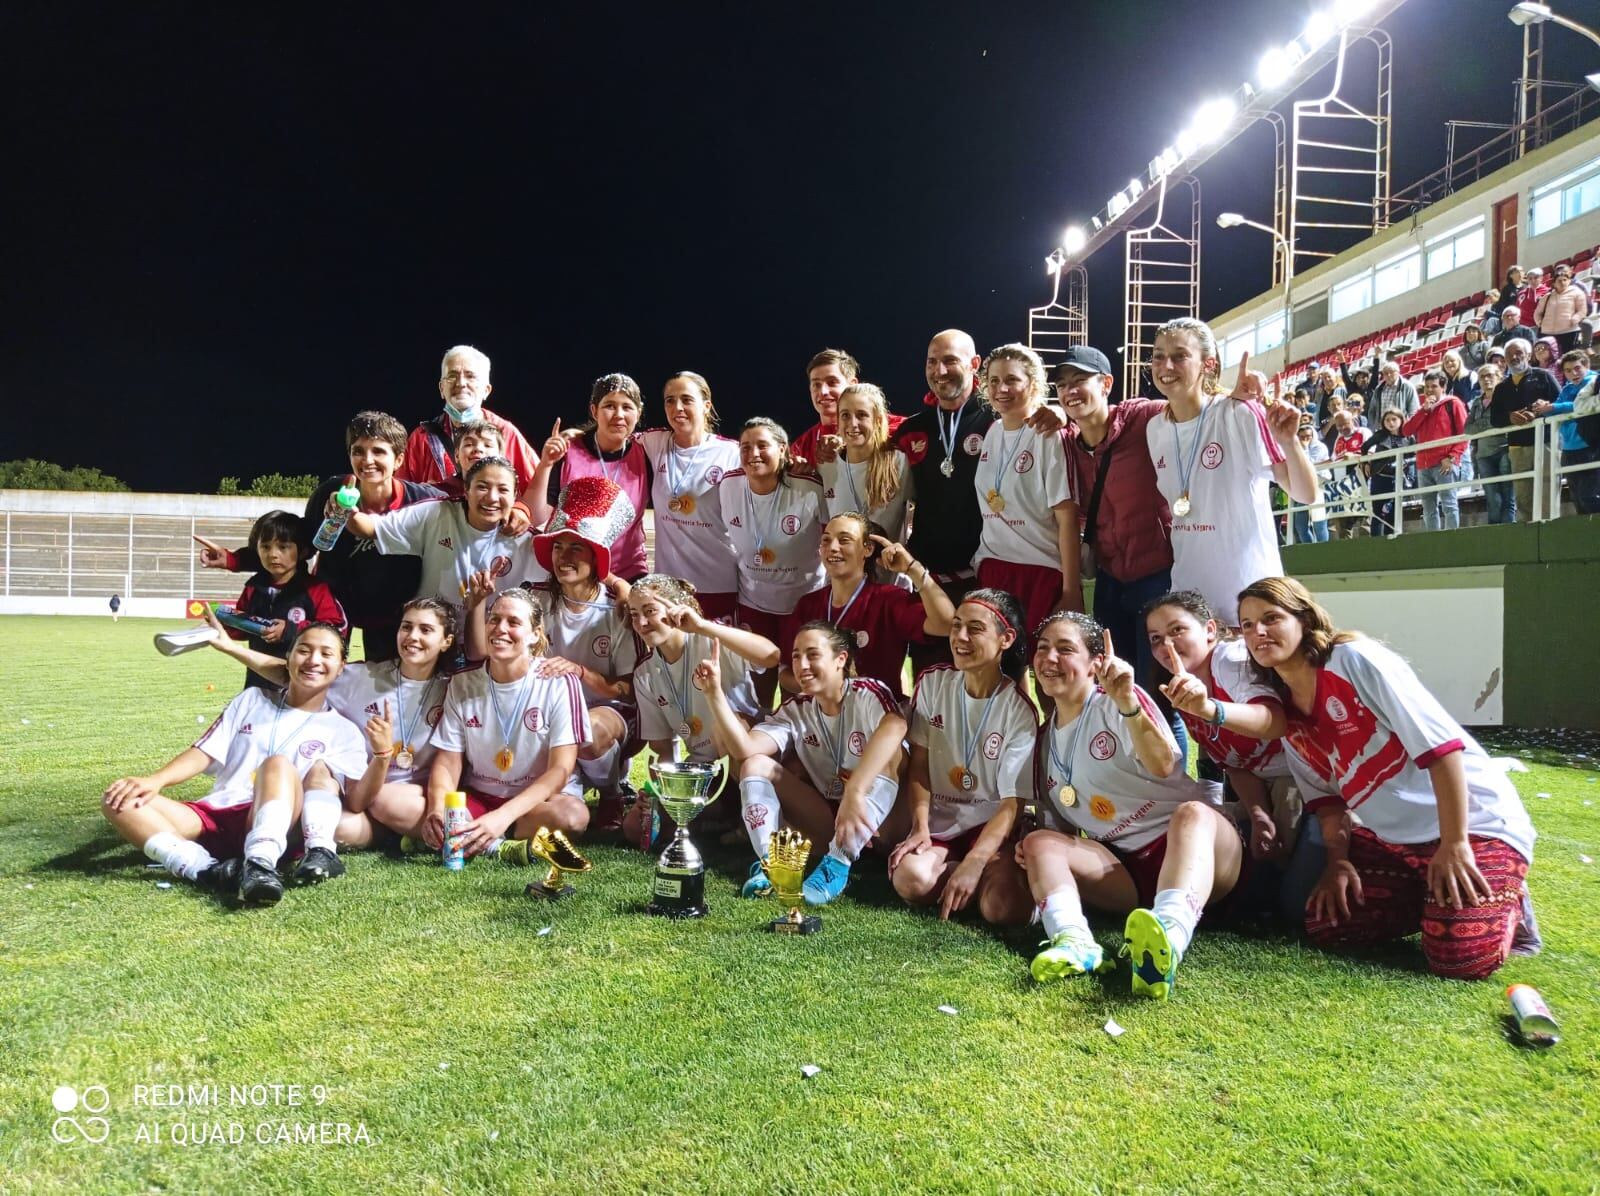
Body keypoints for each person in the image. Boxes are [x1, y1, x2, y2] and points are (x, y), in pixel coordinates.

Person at [1237, 576, 1538, 979]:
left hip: (1474, 825)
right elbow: (1328, 804)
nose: (1258, 631)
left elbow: (1443, 751)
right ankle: (1440, 900)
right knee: (1329, 925)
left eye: (1271, 618)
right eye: (1247, 624)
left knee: (1460, 958)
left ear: (1304, 620)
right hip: (1394, 841)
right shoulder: (1284, 712)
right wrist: (1337, 863)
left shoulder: (1355, 659)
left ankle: (1507, 901)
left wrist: (1454, 843)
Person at [1019, 611, 1236, 1000]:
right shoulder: (1044, 742)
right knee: (1041, 843)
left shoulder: (1119, 703)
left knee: (1193, 813)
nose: (1049, 659)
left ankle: (1167, 937)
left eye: (1065, 649)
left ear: (1095, 663)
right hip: (1126, 872)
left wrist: (1128, 705)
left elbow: (1164, 764)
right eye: (1043, 649)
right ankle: (1074, 941)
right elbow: (1064, 832)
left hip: (1197, 851)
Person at [102, 622, 372, 904]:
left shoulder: (344, 730)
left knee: (276, 765)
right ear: (288, 657)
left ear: (341, 667)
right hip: (217, 813)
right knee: (118, 798)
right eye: (303, 650)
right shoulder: (251, 700)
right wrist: (155, 781)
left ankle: (260, 864)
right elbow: (204, 752)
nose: (313, 660)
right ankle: (207, 870)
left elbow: (345, 796)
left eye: (326, 654)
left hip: (278, 824)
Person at [199, 597, 457, 860]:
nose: (412, 636)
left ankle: (405, 832)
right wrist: (230, 648)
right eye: (406, 627)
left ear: (446, 641)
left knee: (381, 804)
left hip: (410, 799)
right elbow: (294, 673)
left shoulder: (453, 689)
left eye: (425, 630)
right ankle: (398, 836)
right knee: (329, 822)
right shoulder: (364, 677)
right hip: (359, 794)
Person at [196, 412, 449, 661]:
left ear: (399, 459)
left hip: (393, 612)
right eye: (358, 451)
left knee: (386, 689)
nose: (367, 460)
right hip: (332, 609)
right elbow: (298, 547)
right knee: (319, 682)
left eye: (378, 451)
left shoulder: (421, 501)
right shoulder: (330, 492)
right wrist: (234, 559)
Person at [698, 624, 908, 904]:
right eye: (796, 657)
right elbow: (745, 749)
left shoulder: (867, 692)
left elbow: (896, 725)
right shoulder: (797, 708)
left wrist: (855, 791)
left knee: (893, 751)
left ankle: (838, 862)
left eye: (812, 655)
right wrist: (714, 694)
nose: (802, 665)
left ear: (840, 659)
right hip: (829, 820)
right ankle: (772, 865)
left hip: (885, 824)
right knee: (755, 764)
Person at [1144, 593, 1316, 909]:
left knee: (1287, 898)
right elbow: (1236, 764)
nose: (1166, 644)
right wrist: (1258, 813)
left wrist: (1211, 709)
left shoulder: (1230, 659)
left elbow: (1274, 722)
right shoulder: (1179, 685)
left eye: (1177, 630)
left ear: (1210, 629)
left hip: (1304, 774)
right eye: (1156, 638)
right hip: (1258, 781)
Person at [1144, 319, 1316, 625]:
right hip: (1191, 610)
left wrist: (1290, 442)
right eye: (1158, 355)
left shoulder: (1239, 413)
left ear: (1208, 364)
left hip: (1250, 607)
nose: (1165, 365)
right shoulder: (1155, 429)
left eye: (1179, 355)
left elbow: (1305, 493)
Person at [888, 588, 1036, 925]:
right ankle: (957, 872)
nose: (961, 637)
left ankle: (980, 871)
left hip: (991, 825)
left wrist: (976, 860)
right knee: (910, 880)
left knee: (1003, 910)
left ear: (1006, 638)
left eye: (975, 628)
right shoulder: (932, 682)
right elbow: (921, 766)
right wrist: (920, 826)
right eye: (956, 626)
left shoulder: (1019, 710)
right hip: (942, 820)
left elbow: (1012, 802)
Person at [513, 478, 643, 832]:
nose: (564, 557)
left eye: (576, 548)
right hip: (546, 710)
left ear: (596, 557)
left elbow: (628, 689)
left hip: (605, 714)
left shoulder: (617, 609)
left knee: (585, 730)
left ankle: (612, 793)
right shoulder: (533, 600)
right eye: (558, 548)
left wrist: (580, 673)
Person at [423, 588, 592, 858]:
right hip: (480, 795)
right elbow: (448, 761)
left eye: (513, 622)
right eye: (494, 619)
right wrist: (437, 809)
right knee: (402, 806)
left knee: (573, 817)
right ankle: (497, 845)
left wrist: (502, 817)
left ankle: (478, 837)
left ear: (536, 633)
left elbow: (561, 769)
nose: (500, 629)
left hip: (536, 802)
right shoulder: (463, 681)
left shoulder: (559, 682)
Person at [619, 574, 778, 850]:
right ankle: (718, 816)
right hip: (703, 771)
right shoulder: (646, 673)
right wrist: (657, 797)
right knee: (635, 828)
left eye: (650, 611)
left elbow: (771, 655)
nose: (641, 623)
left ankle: (744, 818)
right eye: (634, 614)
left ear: (677, 606)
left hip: (748, 754)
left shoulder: (711, 637)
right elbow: (663, 750)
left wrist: (703, 626)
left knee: (726, 728)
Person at [341, 455, 546, 633]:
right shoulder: (437, 512)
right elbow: (369, 528)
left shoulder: (525, 539)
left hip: (489, 648)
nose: (492, 497)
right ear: (466, 489)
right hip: (430, 640)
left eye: (503, 490)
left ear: (514, 495)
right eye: (482, 487)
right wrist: (344, 509)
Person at [894, 329, 996, 675]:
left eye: (950, 360)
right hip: (929, 579)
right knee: (929, 679)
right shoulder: (910, 430)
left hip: (984, 577)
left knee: (991, 676)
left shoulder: (997, 419)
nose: (939, 371)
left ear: (974, 364)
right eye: (932, 362)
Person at [972, 343, 1083, 638]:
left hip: (1038, 569)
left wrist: (1072, 591)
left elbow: (1067, 519)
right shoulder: (993, 431)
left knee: (1047, 668)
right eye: (993, 381)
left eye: (1011, 380)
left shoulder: (1049, 434)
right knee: (998, 669)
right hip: (993, 566)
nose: (1001, 388)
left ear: (1032, 384)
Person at [780, 512, 954, 699]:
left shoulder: (889, 599)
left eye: (844, 540)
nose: (833, 547)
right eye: (826, 540)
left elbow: (946, 625)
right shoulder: (808, 605)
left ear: (868, 549)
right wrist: (816, 682)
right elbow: (784, 673)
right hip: (824, 715)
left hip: (878, 716)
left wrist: (913, 569)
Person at [719, 418, 826, 708]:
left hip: (803, 603)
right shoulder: (728, 485)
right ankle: (757, 749)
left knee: (799, 690)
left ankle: (798, 750)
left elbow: (833, 536)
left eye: (762, 445)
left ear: (783, 450)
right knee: (756, 691)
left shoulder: (809, 486)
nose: (753, 453)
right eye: (746, 447)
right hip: (755, 604)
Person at [637, 372, 742, 621]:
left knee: (713, 658)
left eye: (686, 399)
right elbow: (612, 437)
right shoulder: (654, 442)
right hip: (668, 586)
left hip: (717, 583)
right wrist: (574, 436)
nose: (677, 408)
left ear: (706, 406)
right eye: (669, 400)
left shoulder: (731, 453)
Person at [529, 373, 652, 581]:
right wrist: (546, 464)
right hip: (573, 572)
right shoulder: (568, 451)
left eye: (627, 407)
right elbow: (537, 516)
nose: (619, 414)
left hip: (628, 575)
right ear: (594, 410)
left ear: (638, 413)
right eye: (610, 406)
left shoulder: (647, 453)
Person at [225, 511, 348, 691]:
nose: (273, 554)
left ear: (303, 551)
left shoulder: (316, 589)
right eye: (265, 547)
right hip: (257, 684)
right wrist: (226, 623)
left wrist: (291, 629)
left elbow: (336, 630)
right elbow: (243, 630)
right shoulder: (253, 588)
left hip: (303, 687)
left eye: (283, 547)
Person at [398, 345, 539, 493]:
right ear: (441, 388)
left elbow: (537, 489)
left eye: (470, 376)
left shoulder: (505, 432)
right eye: (452, 376)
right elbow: (401, 495)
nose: (461, 383)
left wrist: (520, 510)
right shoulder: (421, 438)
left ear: (486, 390)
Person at [818, 383, 913, 542]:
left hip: (887, 566)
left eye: (861, 415)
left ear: (878, 420)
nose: (853, 423)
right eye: (845, 415)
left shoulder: (899, 463)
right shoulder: (826, 464)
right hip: (838, 565)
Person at [1491, 338, 1562, 523]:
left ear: (1529, 355)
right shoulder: (1501, 388)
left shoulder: (1544, 376)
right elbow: (1494, 419)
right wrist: (1510, 418)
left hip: (1545, 442)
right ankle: (1527, 537)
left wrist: (1545, 407)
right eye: (1509, 355)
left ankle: (1549, 533)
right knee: (1523, 497)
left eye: (1518, 353)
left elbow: (1561, 403)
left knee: (1547, 490)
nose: (1514, 357)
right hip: (1517, 447)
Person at [1402, 370, 1469, 532]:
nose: (1430, 390)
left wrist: (1452, 457)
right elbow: (1406, 430)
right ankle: (1433, 541)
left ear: (1443, 387)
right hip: (1423, 465)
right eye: (1427, 387)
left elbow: (1465, 433)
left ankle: (1451, 540)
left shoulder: (1453, 403)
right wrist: (1423, 410)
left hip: (1444, 462)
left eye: (1434, 386)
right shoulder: (1423, 408)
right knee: (1428, 508)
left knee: (1449, 504)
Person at [1550, 349, 1600, 514]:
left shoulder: (1594, 381)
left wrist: (1554, 407)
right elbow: (1556, 409)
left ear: (1587, 365)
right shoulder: (1566, 389)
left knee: (1589, 496)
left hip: (1590, 447)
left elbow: (1578, 406)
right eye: (1568, 370)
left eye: (1577, 368)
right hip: (1569, 449)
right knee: (1578, 499)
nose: (1573, 373)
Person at [1465, 363, 1514, 524]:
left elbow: (1508, 420)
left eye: (1490, 375)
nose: (1486, 379)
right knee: (1493, 499)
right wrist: (1493, 422)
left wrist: (1483, 424)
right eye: (1482, 377)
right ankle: (1495, 534)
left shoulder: (1508, 396)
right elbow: (1468, 429)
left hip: (1505, 449)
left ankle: (1508, 534)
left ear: (1499, 376)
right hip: (1483, 454)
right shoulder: (1476, 402)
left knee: (1508, 497)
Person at [1362, 409, 1413, 536]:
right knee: (1378, 512)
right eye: (1387, 420)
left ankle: (1392, 539)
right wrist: (1366, 463)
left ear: (1401, 420)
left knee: (1393, 512)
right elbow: (1364, 447)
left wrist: (1407, 468)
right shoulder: (1380, 435)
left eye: (1394, 419)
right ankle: (1376, 542)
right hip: (1380, 477)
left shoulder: (1409, 437)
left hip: (1398, 478)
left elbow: (1414, 455)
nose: (1391, 423)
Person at [1292, 421, 1330, 544]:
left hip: (1318, 486)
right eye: (1302, 437)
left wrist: (1305, 448)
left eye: (1308, 436)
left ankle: (1323, 549)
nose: (1305, 439)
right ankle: (1308, 547)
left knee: (1319, 523)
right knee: (1300, 525)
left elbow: (1309, 464)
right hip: (1302, 486)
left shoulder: (1320, 447)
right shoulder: (1295, 449)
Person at [1534, 264, 1587, 352]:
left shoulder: (1577, 293)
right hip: (1547, 333)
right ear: (1554, 283)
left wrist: (1574, 319)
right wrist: (1540, 323)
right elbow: (1537, 313)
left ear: (1569, 281)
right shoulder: (1547, 297)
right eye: (1559, 281)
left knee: (1567, 357)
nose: (1562, 282)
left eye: (1565, 280)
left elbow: (1582, 310)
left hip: (1568, 332)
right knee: (1549, 358)